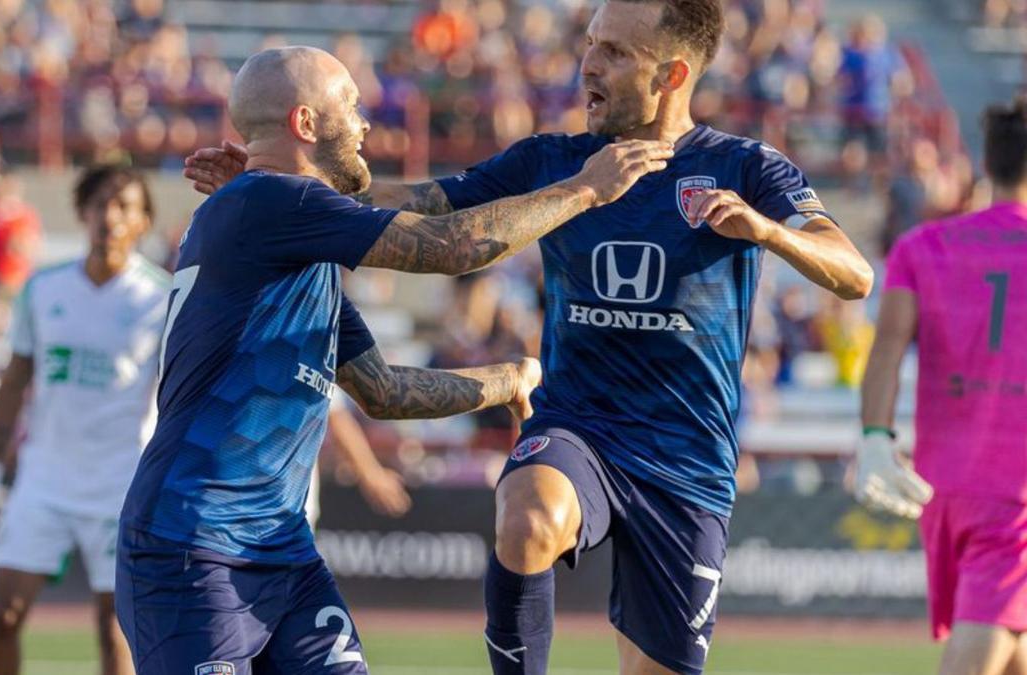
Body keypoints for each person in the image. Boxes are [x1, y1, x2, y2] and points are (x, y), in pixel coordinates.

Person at [185, 2, 874, 673]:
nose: (588, 64)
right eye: (590, 43)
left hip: (687, 458)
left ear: (671, 76)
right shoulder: (555, 161)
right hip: (580, 425)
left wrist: (769, 232)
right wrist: (274, 180)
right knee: (527, 515)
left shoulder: (746, 167)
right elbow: (424, 202)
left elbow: (854, 275)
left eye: (614, 52)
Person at [116, 45, 668, 675]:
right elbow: (451, 247)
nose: (365, 124)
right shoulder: (270, 205)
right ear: (305, 124)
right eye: (349, 107)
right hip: (193, 548)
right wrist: (584, 190)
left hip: (283, 553)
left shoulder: (289, 239)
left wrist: (505, 380)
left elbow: (383, 391)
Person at [0, 165, 172, 675]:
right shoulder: (43, 289)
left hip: (122, 487)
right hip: (45, 480)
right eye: (101, 202)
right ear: (82, 211)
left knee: (115, 636)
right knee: (4, 618)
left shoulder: (162, 298)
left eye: (125, 205)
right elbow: (13, 384)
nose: (111, 216)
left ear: (143, 221)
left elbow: (181, 398)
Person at [857, 98, 1027, 675]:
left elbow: (886, 348)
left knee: (1010, 649)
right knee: (984, 650)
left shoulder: (922, 247)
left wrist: (876, 436)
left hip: (944, 488)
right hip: (1017, 492)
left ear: (987, 162)